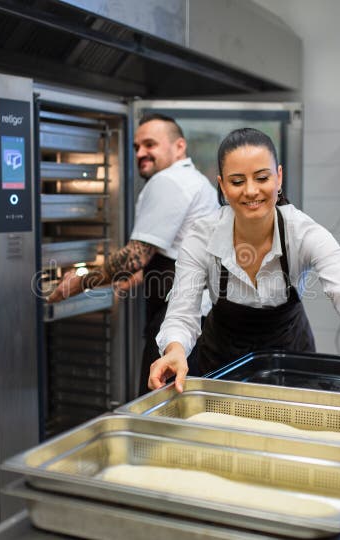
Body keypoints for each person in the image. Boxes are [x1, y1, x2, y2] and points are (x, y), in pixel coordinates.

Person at [149, 128, 340, 415]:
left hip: (291, 363)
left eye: (262, 178)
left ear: (278, 177)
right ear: (221, 185)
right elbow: (182, 313)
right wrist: (175, 350)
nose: (250, 191)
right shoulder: (201, 237)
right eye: (237, 181)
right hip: (222, 368)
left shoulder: (303, 234)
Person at [47, 113, 219, 393]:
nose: (141, 153)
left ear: (179, 147)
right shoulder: (195, 182)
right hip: (198, 320)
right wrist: (134, 277)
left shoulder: (169, 182)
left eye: (150, 144)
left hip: (177, 320)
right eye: (137, 147)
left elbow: (136, 255)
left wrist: (80, 283)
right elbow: (172, 251)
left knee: (158, 406)